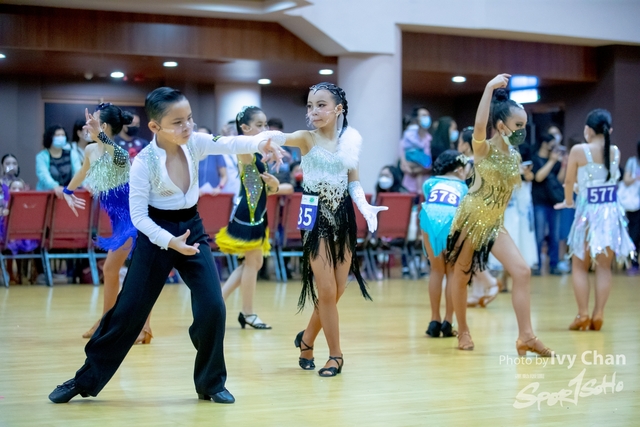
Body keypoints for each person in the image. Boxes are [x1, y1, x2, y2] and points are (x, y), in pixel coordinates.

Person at [48, 87, 284, 405]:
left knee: (213, 306)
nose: (187, 126)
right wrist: (169, 241)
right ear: (155, 126)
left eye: (189, 118)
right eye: (178, 122)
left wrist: (262, 142)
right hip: (155, 235)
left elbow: (231, 142)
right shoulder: (144, 162)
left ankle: (210, 383)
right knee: (127, 313)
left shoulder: (195, 142)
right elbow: (139, 217)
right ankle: (84, 380)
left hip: (192, 229)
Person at [274, 82, 386, 377]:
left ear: (338, 109)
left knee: (336, 289)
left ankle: (306, 339)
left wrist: (365, 206)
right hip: (312, 213)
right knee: (325, 289)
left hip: (343, 215)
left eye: (321, 105)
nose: (313, 111)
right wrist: (253, 141)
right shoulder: (305, 138)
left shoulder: (351, 141)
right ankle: (336, 355)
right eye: (310, 106)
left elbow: (354, 181)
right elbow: (274, 137)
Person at [445, 74, 553, 357]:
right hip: (471, 218)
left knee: (522, 271)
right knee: (462, 273)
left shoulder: (514, 156)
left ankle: (526, 336)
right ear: (502, 125)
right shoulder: (483, 148)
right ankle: (463, 330)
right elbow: (480, 125)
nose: (522, 131)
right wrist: (489, 88)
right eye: (518, 125)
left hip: (495, 223)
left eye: (525, 126)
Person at [62, 103, 153, 343]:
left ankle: (141, 327)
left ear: (103, 126)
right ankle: (107, 321)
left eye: (93, 119)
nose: (87, 123)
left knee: (134, 272)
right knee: (114, 270)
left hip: (135, 217)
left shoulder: (119, 153)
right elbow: (82, 172)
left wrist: (100, 135)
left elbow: (118, 156)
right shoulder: (91, 150)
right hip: (118, 221)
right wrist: (67, 191)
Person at [555, 109, 635, 331]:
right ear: (609, 129)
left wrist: (568, 201)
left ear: (588, 130)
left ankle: (583, 314)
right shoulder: (615, 152)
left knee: (580, 265)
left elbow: (569, 181)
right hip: (610, 215)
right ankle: (599, 313)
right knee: (604, 267)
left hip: (588, 214)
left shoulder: (579, 150)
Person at [218, 106, 282, 329]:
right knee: (253, 263)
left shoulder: (257, 152)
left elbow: (265, 189)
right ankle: (246, 313)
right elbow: (242, 143)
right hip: (249, 214)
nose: (265, 129)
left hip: (258, 213)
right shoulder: (245, 149)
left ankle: (217, 303)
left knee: (253, 263)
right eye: (259, 125)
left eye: (266, 125)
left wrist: (274, 185)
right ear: (245, 128)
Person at [420, 150, 468, 338]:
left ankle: (434, 319)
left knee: (436, 270)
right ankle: (448, 320)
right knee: (452, 271)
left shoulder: (429, 183)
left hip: (428, 220)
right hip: (452, 221)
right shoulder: (463, 187)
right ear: (458, 169)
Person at [532, 133, 567, 275]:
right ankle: (537, 265)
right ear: (544, 144)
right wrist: (551, 161)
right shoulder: (535, 159)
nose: (554, 147)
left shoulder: (556, 160)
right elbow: (538, 177)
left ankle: (554, 264)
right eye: (552, 144)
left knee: (555, 235)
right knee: (539, 235)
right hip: (539, 202)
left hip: (554, 202)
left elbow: (559, 180)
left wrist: (563, 164)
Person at [36, 125, 82, 198]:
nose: (61, 137)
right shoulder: (42, 156)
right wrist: (54, 186)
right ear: (50, 137)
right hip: (47, 195)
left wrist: (84, 184)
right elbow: (43, 174)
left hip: (69, 194)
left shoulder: (72, 154)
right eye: (57, 135)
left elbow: (79, 172)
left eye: (63, 135)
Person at [399, 106, 432, 194]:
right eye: (423, 115)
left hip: (425, 185)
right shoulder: (407, 138)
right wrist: (415, 169)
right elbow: (404, 164)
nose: (427, 118)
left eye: (428, 115)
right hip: (409, 185)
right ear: (417, 119)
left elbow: (430, 165)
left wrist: (419, 169)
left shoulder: (430, 139)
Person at [621, 139, 640, 275]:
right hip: (634, 204)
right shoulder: (632, 162)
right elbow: (626, 180)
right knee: (634, 233)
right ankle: (632, 261)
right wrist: (636, 178)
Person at [197, 126, 228, 197]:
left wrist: (219, 188)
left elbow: (224, 176)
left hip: (213, 194)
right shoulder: (192, 153)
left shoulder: (216, 153)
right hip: (196, 195)